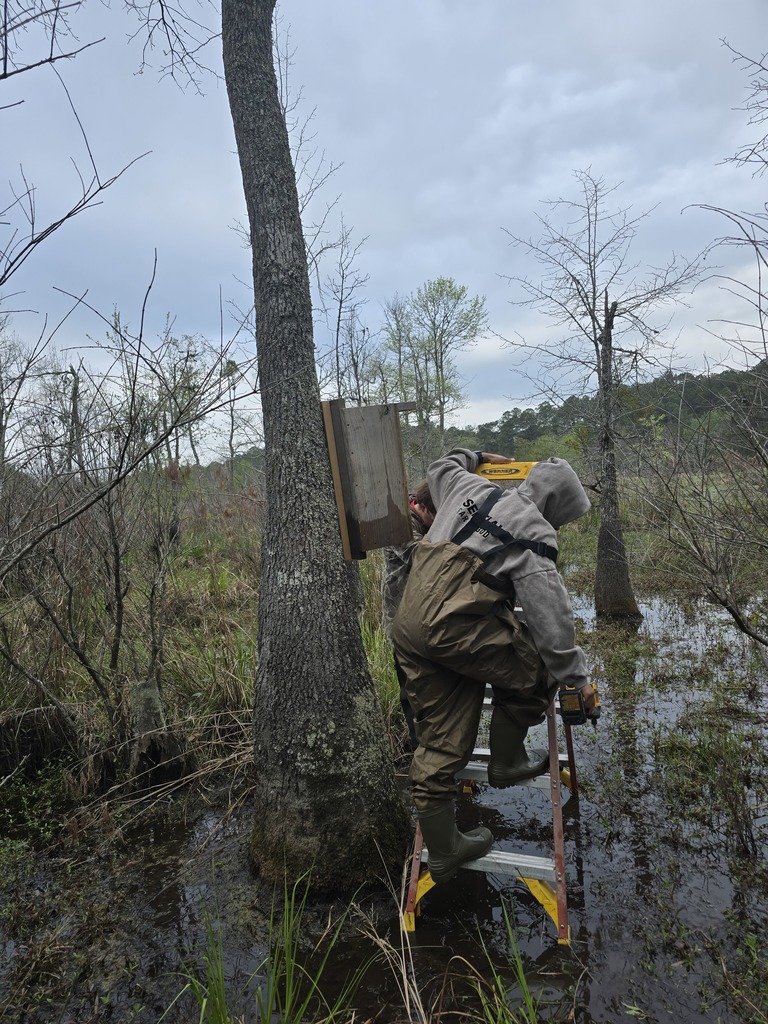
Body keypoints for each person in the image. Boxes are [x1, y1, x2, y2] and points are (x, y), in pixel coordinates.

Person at [391, 448, 597, 883]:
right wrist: (575, 678)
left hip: (409, 625)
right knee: (537, 668)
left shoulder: (465, 485)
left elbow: (441, 464)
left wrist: (477, 455)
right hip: (453, 629)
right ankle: (507, 760)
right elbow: (551, 620)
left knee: (441, 733)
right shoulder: (534, 533)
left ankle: (444, 851)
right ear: (556, 507)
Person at [381, 480, 435, 750]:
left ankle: (436, 739)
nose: (435, 522)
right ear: (421, 506)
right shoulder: (399, 522)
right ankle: (420, 747)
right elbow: (418, 554)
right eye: (433, 516)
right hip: (401, 618)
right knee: (411, 686)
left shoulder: (427, 514)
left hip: (427, 615)